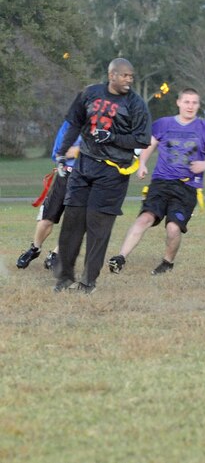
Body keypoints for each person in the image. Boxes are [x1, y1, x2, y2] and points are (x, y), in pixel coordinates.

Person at [53, 58, 152, 294]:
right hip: (84, 165)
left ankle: (88, 282)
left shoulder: (136, 104)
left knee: (98, 227)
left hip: (112, 172)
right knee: (72, 223)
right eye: (125, 75)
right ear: (112, 75)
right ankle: (64, 277)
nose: (130, 79)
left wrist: (112, 138)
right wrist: (61, 153)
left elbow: (142, 139)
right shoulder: (89, 93)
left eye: (131, 76)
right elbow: (74, 123)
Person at [107, 88, 205, 275]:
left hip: (187, 186)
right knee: (145, 218)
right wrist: (142, 163)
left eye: (194, 103)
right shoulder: (163, 124)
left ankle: (167, 263)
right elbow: (148, 145)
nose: (190, 106)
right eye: (187, 102)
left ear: (199, 105)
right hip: (160, 183)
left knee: (173, 228)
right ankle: (120, 257)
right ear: (178, 103)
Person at [16, 121, 81, 270]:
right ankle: (34, 249)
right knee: (47, 218)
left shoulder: (105, 125)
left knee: (75, 222)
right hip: (65, 174)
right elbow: (61, 151)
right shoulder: (71, 123)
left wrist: (79, 150)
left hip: (87, 179)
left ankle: (56, 255)